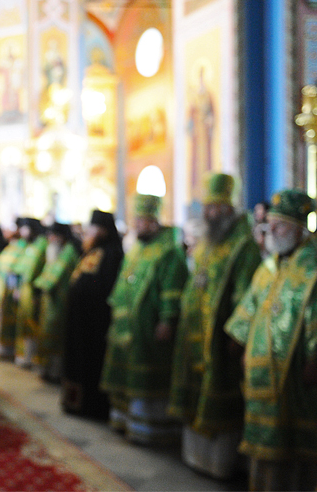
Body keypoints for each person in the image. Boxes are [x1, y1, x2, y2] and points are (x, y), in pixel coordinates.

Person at [225, 189, 317, 491]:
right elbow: (250, 306)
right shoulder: (269, 266)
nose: (271, 230)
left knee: (292, 448)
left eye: (280, 225)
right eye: (270, 223)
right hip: (260, 372)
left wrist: (316, 359)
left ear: (299, 230)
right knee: (263, 445)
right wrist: (240, 340)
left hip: (296, 376)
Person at [168, 173, 262, 479]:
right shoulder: (208, 241)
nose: (210, 213)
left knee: (219, 395)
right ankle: (196, 456)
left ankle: (220, 463)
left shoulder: (243, 245)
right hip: (195, 334)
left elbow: (246, 294)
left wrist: (238, 335)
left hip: (220, 338)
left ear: (229, 208)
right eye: (207, 207)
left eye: (216, 207)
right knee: (196, 394)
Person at [100, 194, 189, 445]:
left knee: (147, 379)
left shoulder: (169, 251)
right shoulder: (136, 248)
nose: (138, 225)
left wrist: (167, 320)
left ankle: (151, 429)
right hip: (126, 326)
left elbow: (173, 288)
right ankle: (126, 421)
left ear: (154, 221)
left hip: (149, 327)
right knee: (126, 375)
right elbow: (122, 282)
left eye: (143, 220)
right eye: (136, 219)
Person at [62, 210, 124, 420]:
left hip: (95, 322)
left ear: (104, 230)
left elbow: (106, 288)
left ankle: (91, 406)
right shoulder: (91, 251)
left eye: (93, 228)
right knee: (76, 360)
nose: (89, 232)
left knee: (91, 363)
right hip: (79, 321)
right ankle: (74, 403)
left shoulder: (112, 254)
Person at [33, 222, 80, 383]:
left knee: (56, 336)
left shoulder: (68, 252)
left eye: (53, 235)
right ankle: (47, 369)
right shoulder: (57, 250)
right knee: (47, 334)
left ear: (61, 236)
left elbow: (54, 276)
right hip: (51, 301)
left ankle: (56, 372)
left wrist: (40, 284)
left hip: (60, 302)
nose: (50, 239)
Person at [13, 217, 48, 368]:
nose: (21, 231)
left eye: (24, 228)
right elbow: (19, 266)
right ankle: (24, 356)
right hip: (25, 288)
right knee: (24, 321)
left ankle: (31, 356)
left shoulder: (41, 244)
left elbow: (32, 269)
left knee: (31, 322)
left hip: (33, 290)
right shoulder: (30, 244)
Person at [0, 218, 25, 360]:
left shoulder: (22, 247)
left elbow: (15, 269)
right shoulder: (10, 246)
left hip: (9, 290)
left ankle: (7, 350)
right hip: (0, 287)